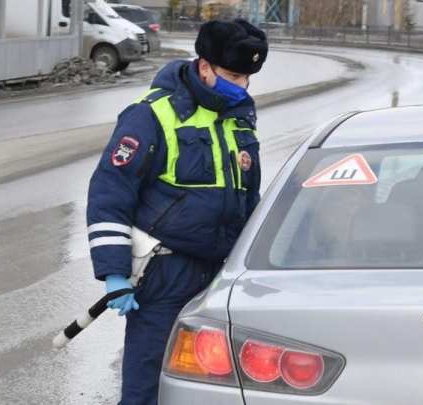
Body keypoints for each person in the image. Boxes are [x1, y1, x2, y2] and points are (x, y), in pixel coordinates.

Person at [86, 18, 268, 405]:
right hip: (165, 275)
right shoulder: (150, 115)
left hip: (223, 274)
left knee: (217, 389)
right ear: (205, 66)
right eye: (234, 75)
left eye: (248, 78)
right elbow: (110, 191)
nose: (242, 87)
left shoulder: (238, 116)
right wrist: (114, 272)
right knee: (147, 389)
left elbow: (248, 199)